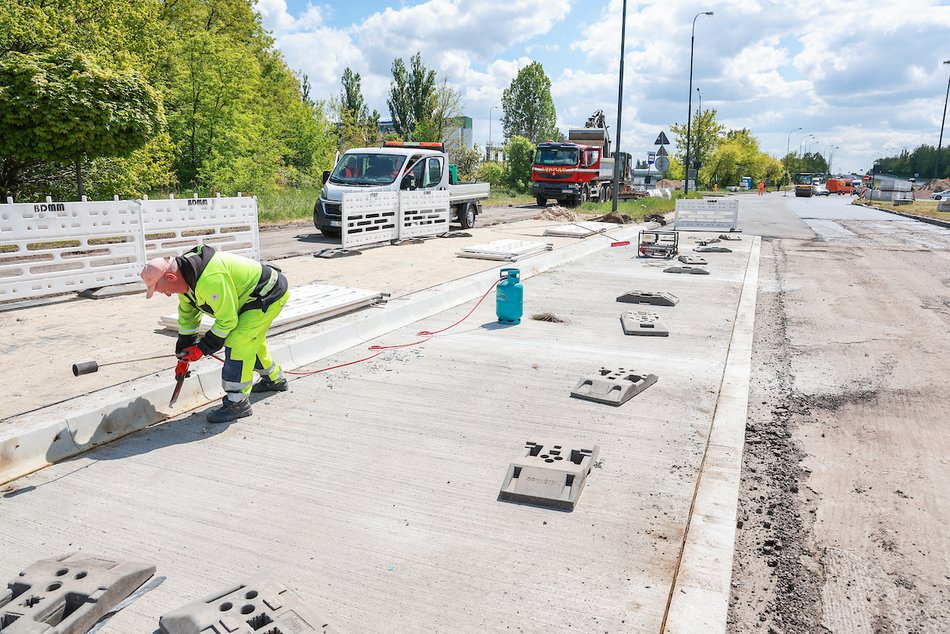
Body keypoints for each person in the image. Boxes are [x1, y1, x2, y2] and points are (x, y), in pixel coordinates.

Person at [140, 245, 290, 423]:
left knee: (238, 342)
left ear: (171, 277)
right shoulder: (187, 279)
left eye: (163, 289)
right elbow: (188, 318)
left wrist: (202, 349)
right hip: (246, 298)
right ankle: (275, 379)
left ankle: (237, 403)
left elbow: (227, 321)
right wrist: (183, 353)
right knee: (251, 341)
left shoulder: (209, 279)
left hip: (267, 294)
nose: (167, 294)